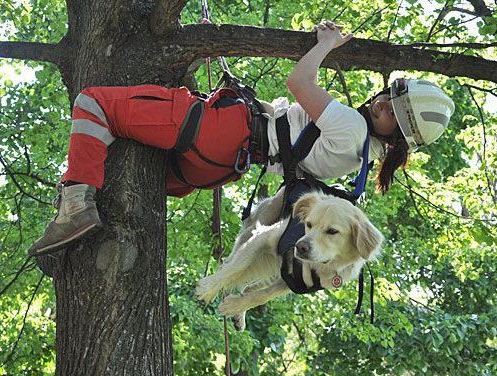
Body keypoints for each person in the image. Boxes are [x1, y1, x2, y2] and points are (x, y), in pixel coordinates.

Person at [28, 21, 455, 257]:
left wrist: (326, 44)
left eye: (393, 115)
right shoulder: (358, 156)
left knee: (93, 104)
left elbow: (299, 80)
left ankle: (74, 206)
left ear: (397, 138)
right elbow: (291, 135)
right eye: (388, 98)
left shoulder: (351, 125)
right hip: (220, 166)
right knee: (127, 158)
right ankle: (86, 207)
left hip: (223, 135)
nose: (382, 104)